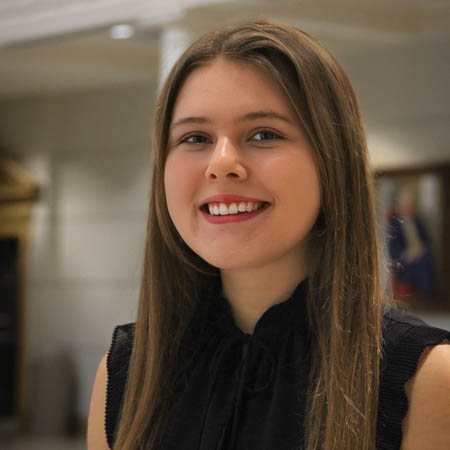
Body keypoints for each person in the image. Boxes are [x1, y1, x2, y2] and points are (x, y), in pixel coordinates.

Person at [87, 20, 450, 450]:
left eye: (264, 134)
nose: (222, 163)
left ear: (331, 162)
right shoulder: (126, 371)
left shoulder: (425, 380)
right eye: (195, 137)